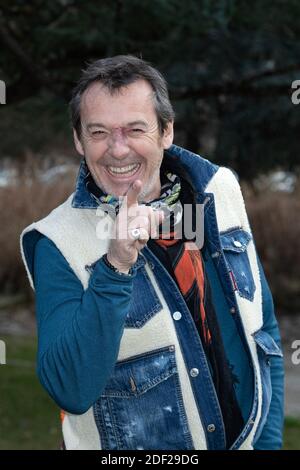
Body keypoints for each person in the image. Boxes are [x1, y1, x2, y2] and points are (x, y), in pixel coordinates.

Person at [21, 55, 284, 450]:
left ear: (166, 132)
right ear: (78, 140)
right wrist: (116, 266)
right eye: (98, 132)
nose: (118, 149)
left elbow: (262, 332)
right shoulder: (56, 242)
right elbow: (69, 388)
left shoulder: (218, 191)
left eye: (135, 129)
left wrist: (268, 443)